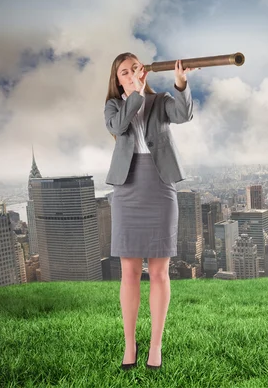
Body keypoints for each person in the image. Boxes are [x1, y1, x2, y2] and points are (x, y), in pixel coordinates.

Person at [104, 52, 196, 370]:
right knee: (129, 273)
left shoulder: (161, 102)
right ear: (118, 80)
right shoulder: (114, 106)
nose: (131, 75)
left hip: (160, 186)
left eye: (135, 69)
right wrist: (136, 93)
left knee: (158, 272)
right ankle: (130, 344)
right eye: (124, 72)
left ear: (144, 70)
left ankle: (155, 345)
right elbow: (119, 124)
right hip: (127, 187)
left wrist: (181, 83)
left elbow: (184, 114)